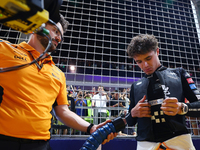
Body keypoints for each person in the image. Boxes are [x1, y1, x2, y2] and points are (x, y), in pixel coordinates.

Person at [0, 14, 116, 150]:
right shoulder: (5, 50)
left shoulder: (58, 74)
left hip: (41, 144)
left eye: (61, 35)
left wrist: (90, 127)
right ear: (38, 27)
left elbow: (62, 111)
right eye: (55, 31)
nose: (59, 38)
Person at [125, 34, 200, 150]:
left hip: (179, 142)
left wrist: (182, 107)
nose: (145, 65)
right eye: (139, 61)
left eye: (148, 58)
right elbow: (129, 121)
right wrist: (134, 113)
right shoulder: (135, 86)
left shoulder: (179, 74)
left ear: (157, 51)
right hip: (145, 144)